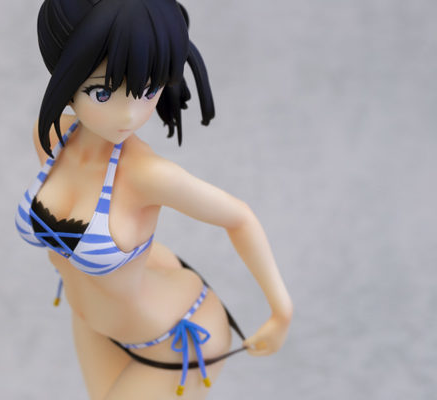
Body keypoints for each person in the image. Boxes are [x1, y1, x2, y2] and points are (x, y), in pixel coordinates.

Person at [15, 0, 293, 398]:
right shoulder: (53, 137)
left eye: (148, 91)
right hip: (92, 324)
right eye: (102, 91)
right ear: (64, 76)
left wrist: (281, 313)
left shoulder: (148, 175)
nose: (129, 115)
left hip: (174, 337)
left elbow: (239, 217)